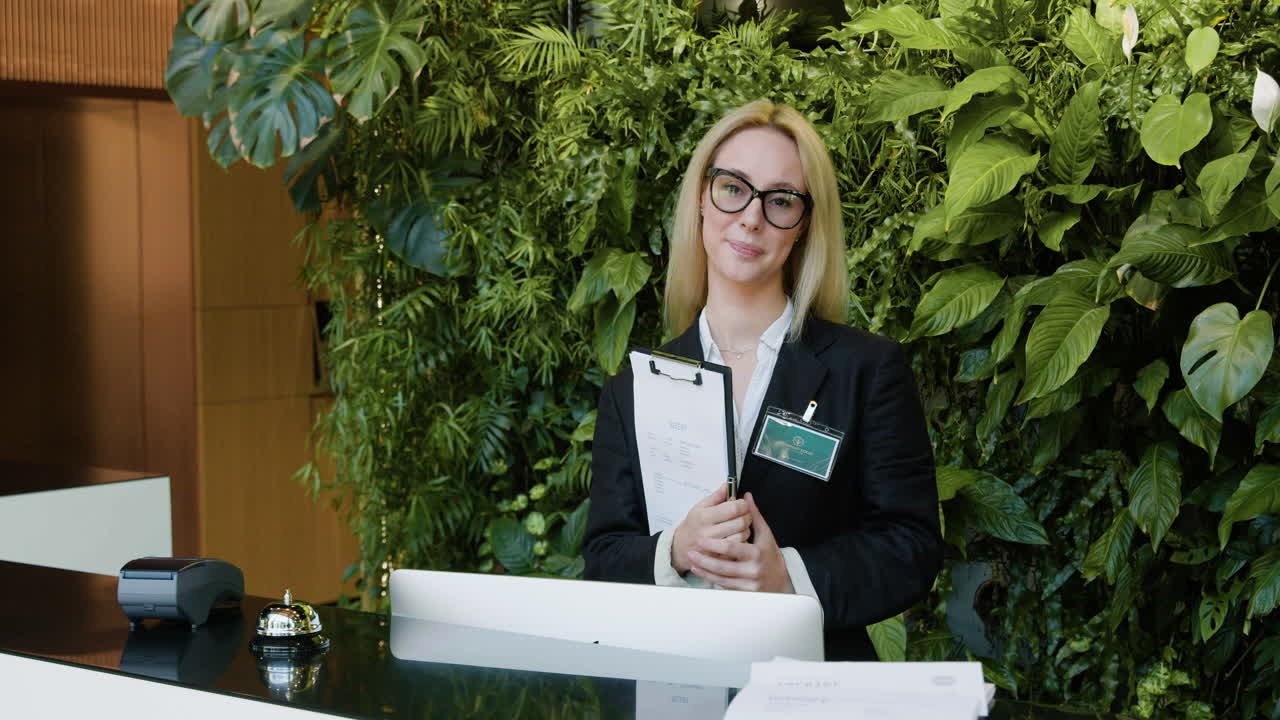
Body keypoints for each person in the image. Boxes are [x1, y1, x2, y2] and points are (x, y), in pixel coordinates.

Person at [582, 100, 942, 661]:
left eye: (780, 200)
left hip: (814, 686)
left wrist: (787, 575)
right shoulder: (633, 389)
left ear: (803, 226)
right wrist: (676, 550)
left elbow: (911, 547)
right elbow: (603, 555)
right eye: (733, 188)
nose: (751, 217)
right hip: (673, 684)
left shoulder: (867, 371)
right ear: (701, 199)